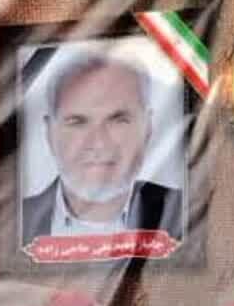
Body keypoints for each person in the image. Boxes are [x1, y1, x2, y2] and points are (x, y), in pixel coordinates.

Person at [21, 43, 182, 244]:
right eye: (77, 122)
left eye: (118, 120)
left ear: (147, 127)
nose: (99, 143)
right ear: (49, 132)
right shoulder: (12, 222)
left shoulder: (186, 212)